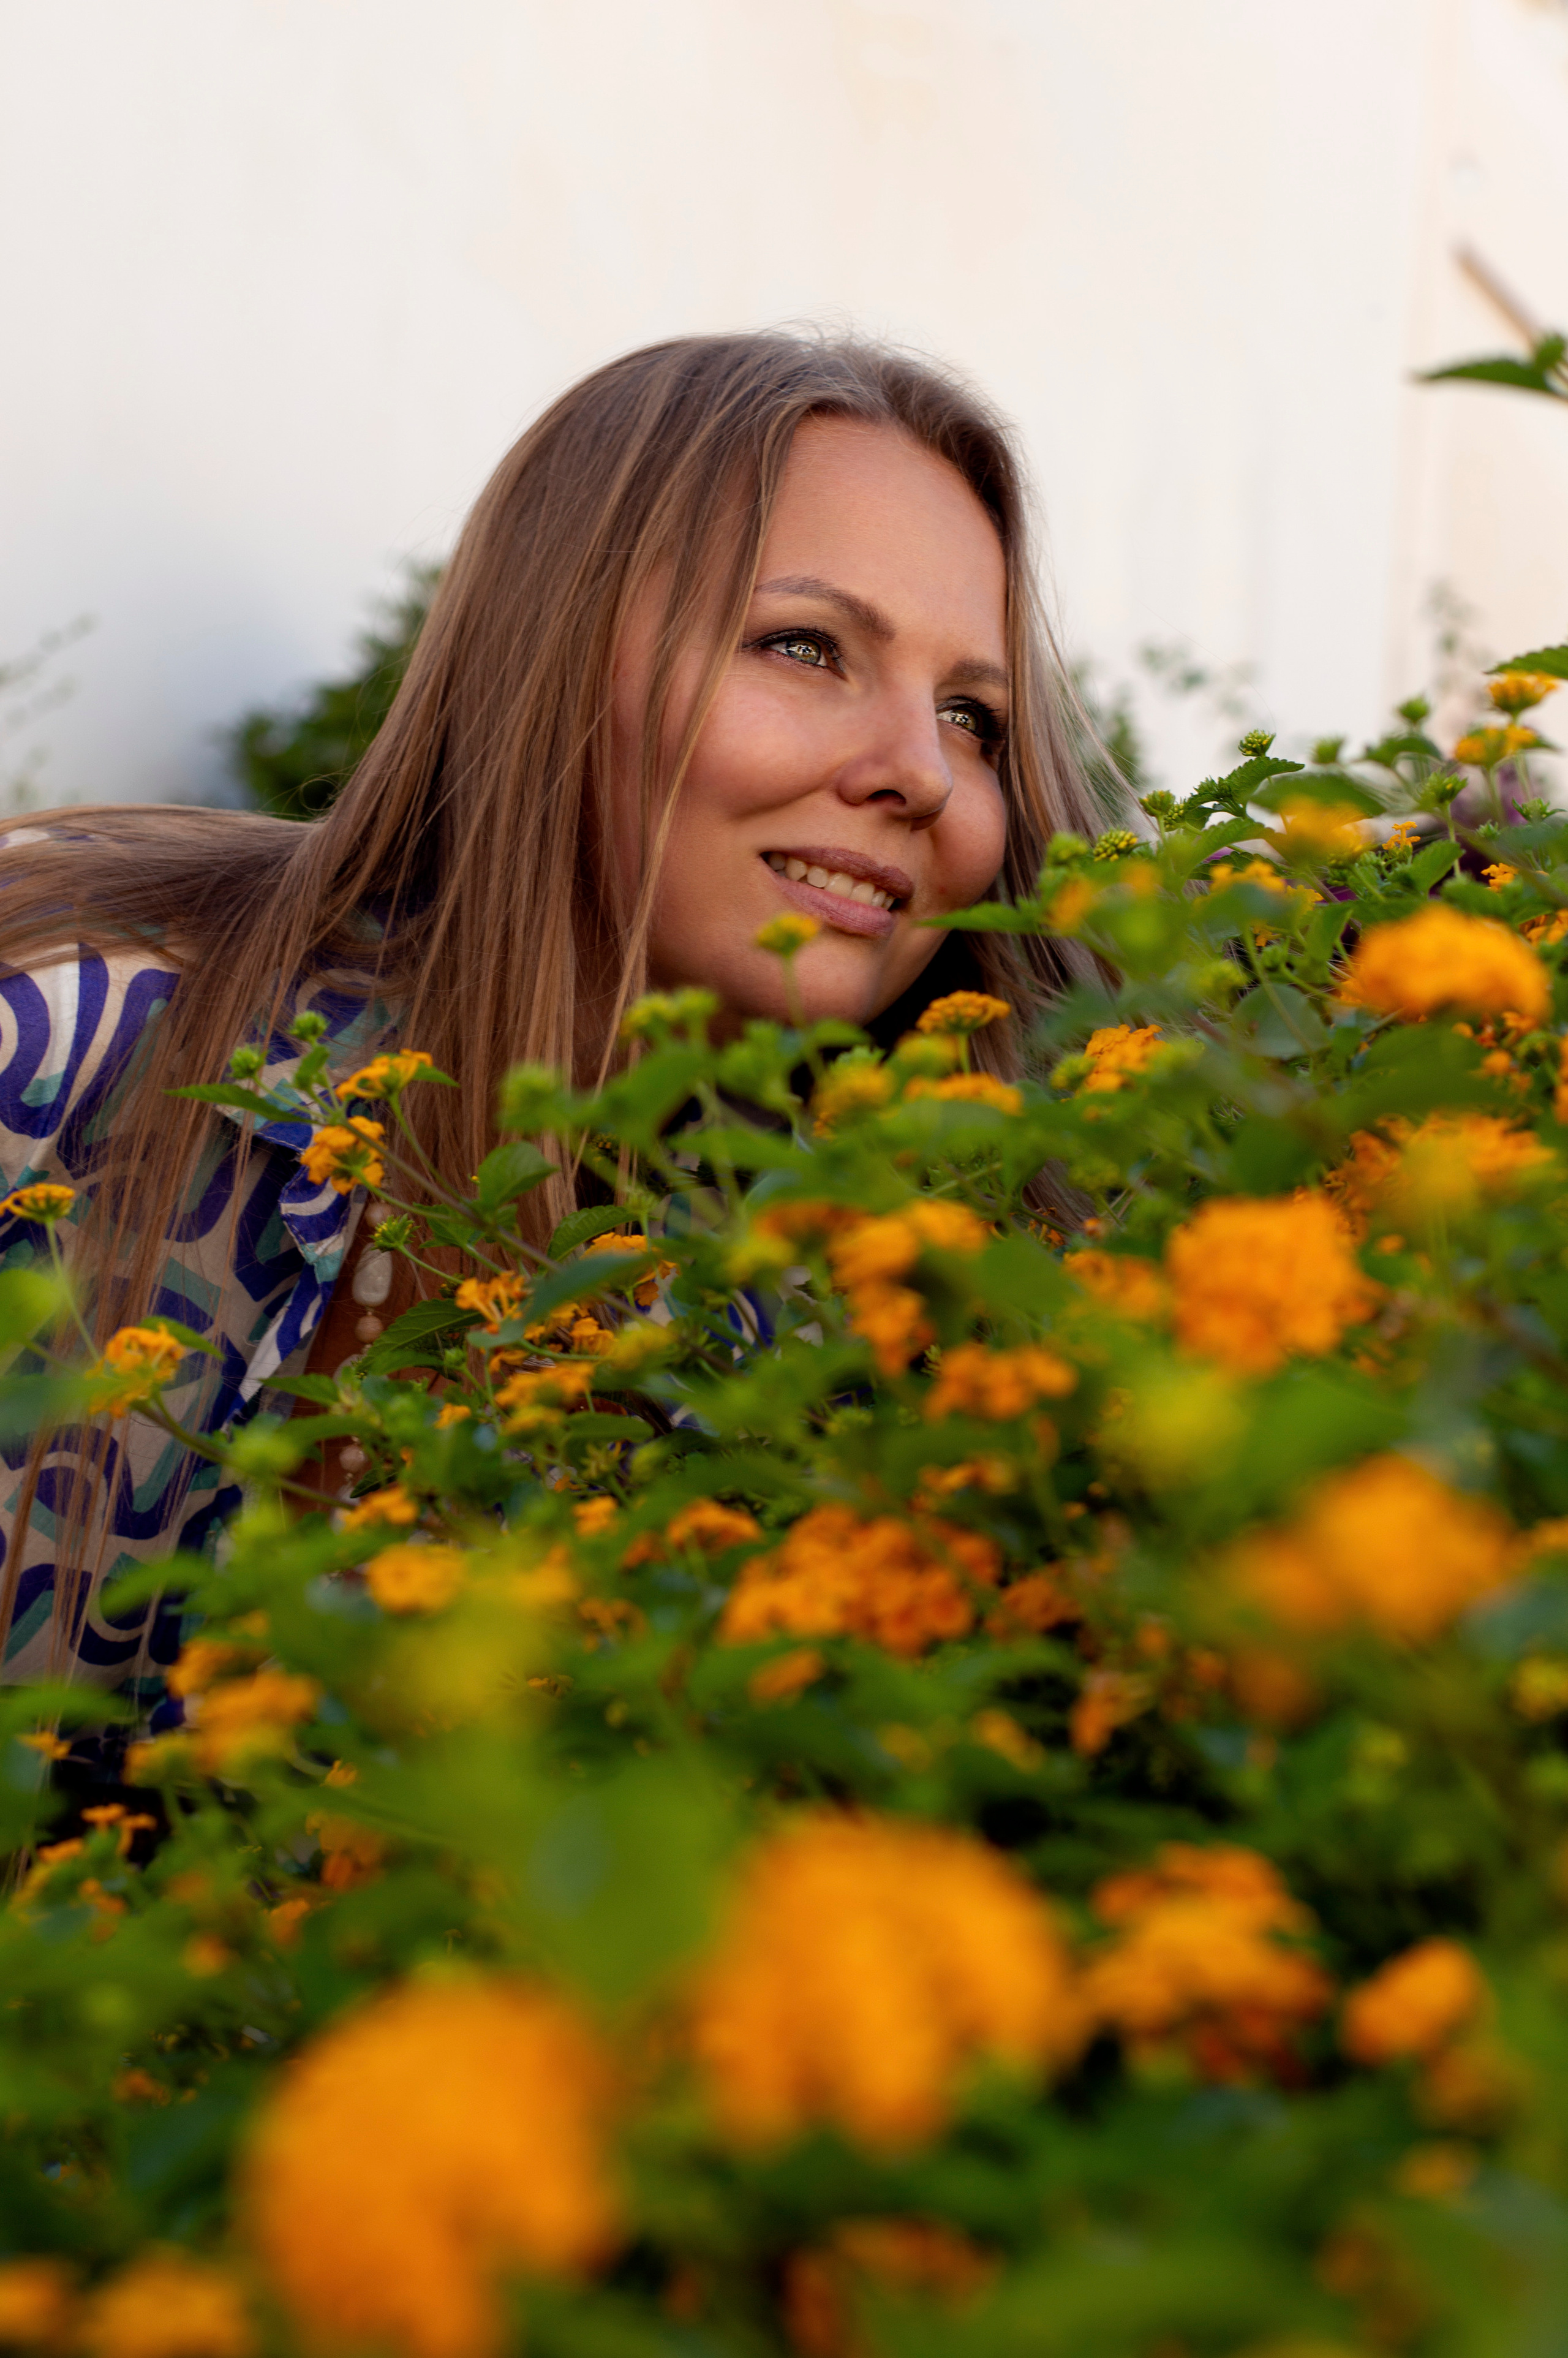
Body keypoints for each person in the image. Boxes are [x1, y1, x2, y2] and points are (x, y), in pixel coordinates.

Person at [0, 330, 1109, 1739]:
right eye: (802, 645)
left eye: (974, 714)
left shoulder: (820, 1341)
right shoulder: (66, 1038)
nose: (921, 772)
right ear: (556, 652)